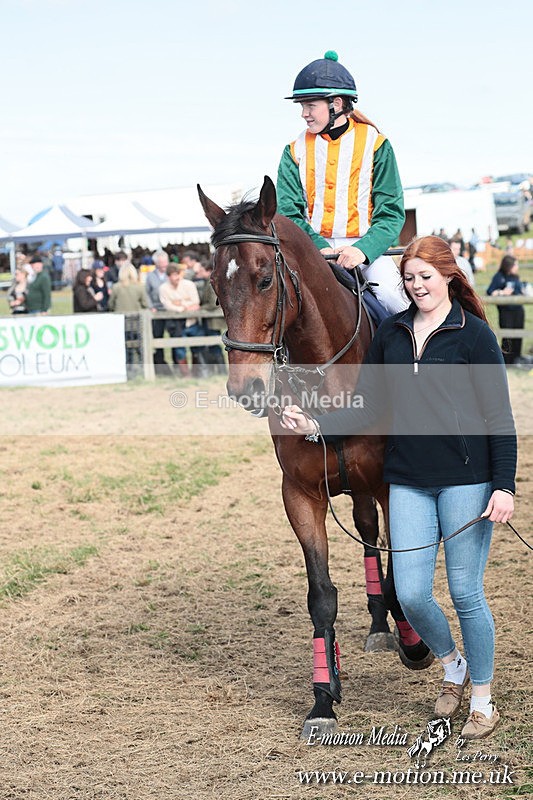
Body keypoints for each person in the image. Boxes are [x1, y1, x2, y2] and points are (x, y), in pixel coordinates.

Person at [281, 235, 517, 740]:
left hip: (466, 482)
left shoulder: (474, 336)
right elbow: (367, 407)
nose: (416, 286)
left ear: (448, 276)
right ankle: (452, 664)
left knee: (465, 593)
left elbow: (500, 418)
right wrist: (317, 422)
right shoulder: (391, 333)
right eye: (409, 278)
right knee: (409, 592)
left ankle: (481, 697)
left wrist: (504, 486)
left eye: (425, 277)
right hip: (408, 482)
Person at [277, 50, 407, 314]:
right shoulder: (293, 150)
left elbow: (391, 213)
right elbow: (288, 213)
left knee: (397, 301)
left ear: (336, 104)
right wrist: (319, 248)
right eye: (302, 106)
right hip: (311, 250)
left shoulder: (377, 144)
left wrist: (363, 250)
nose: (304, 114)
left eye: (310, 106)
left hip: (367, 251)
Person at [159, 264, 201, 375]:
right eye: (173, 275)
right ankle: (186, 374)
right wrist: (185, 306)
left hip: (191, 321)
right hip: (176, 324)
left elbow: (196, 302)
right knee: (179, 350)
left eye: (178, 274)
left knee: (196, 348)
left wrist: (179, 303)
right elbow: (167, 305)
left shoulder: (189, 285)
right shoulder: (163, 288)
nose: (177, 277)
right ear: (168, 277)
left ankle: (196, 372)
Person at [487, 255, 528, 365]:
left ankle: (517, 358)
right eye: (516, 264)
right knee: (507, 337)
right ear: (509, 266)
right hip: (506, 311)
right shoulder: (499, 277)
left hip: (518, 310)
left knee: (518, 335)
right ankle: (506, 360)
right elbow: (490, 291)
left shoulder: (515, 277)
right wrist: (502, 292)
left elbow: (519, 291)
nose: (517, 267)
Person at [108, 264, 149, 369]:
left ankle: (127, 369)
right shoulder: (139, 287)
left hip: (121, 323)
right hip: (136, 322)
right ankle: (143, 368)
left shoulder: (116, 287)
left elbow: (110, 304)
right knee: (139, 347)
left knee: (125, 348)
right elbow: (145, 304)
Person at [145, 249, 173, 376]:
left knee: (174, 337)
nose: (163, 266)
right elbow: (146, 293)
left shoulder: (171, 274)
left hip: (171, 310)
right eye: (161, 263)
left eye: (165, 263)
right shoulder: (150, 276)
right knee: (157, 337)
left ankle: (176, 364)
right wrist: (151, 307)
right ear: (156, 263)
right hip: (157, 311)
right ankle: (160, 365)